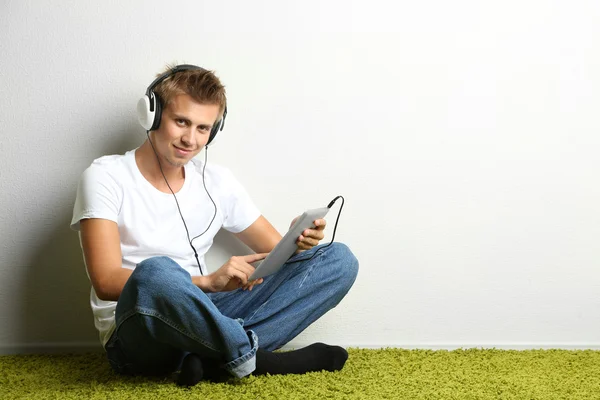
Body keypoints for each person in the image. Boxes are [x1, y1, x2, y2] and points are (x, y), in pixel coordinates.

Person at [70, 64, 359, 386]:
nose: (190, 140)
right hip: (138, 331)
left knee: (338, 260)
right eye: (181, 121)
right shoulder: (105, 176)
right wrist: (207, 282)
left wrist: (297, 240)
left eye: (203, 128)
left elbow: (276, 258)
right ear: (152, 114)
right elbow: (106, 281)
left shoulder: (217, 181)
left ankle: (210, 359)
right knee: (156, 272)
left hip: (204, 314)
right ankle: (259, 359)